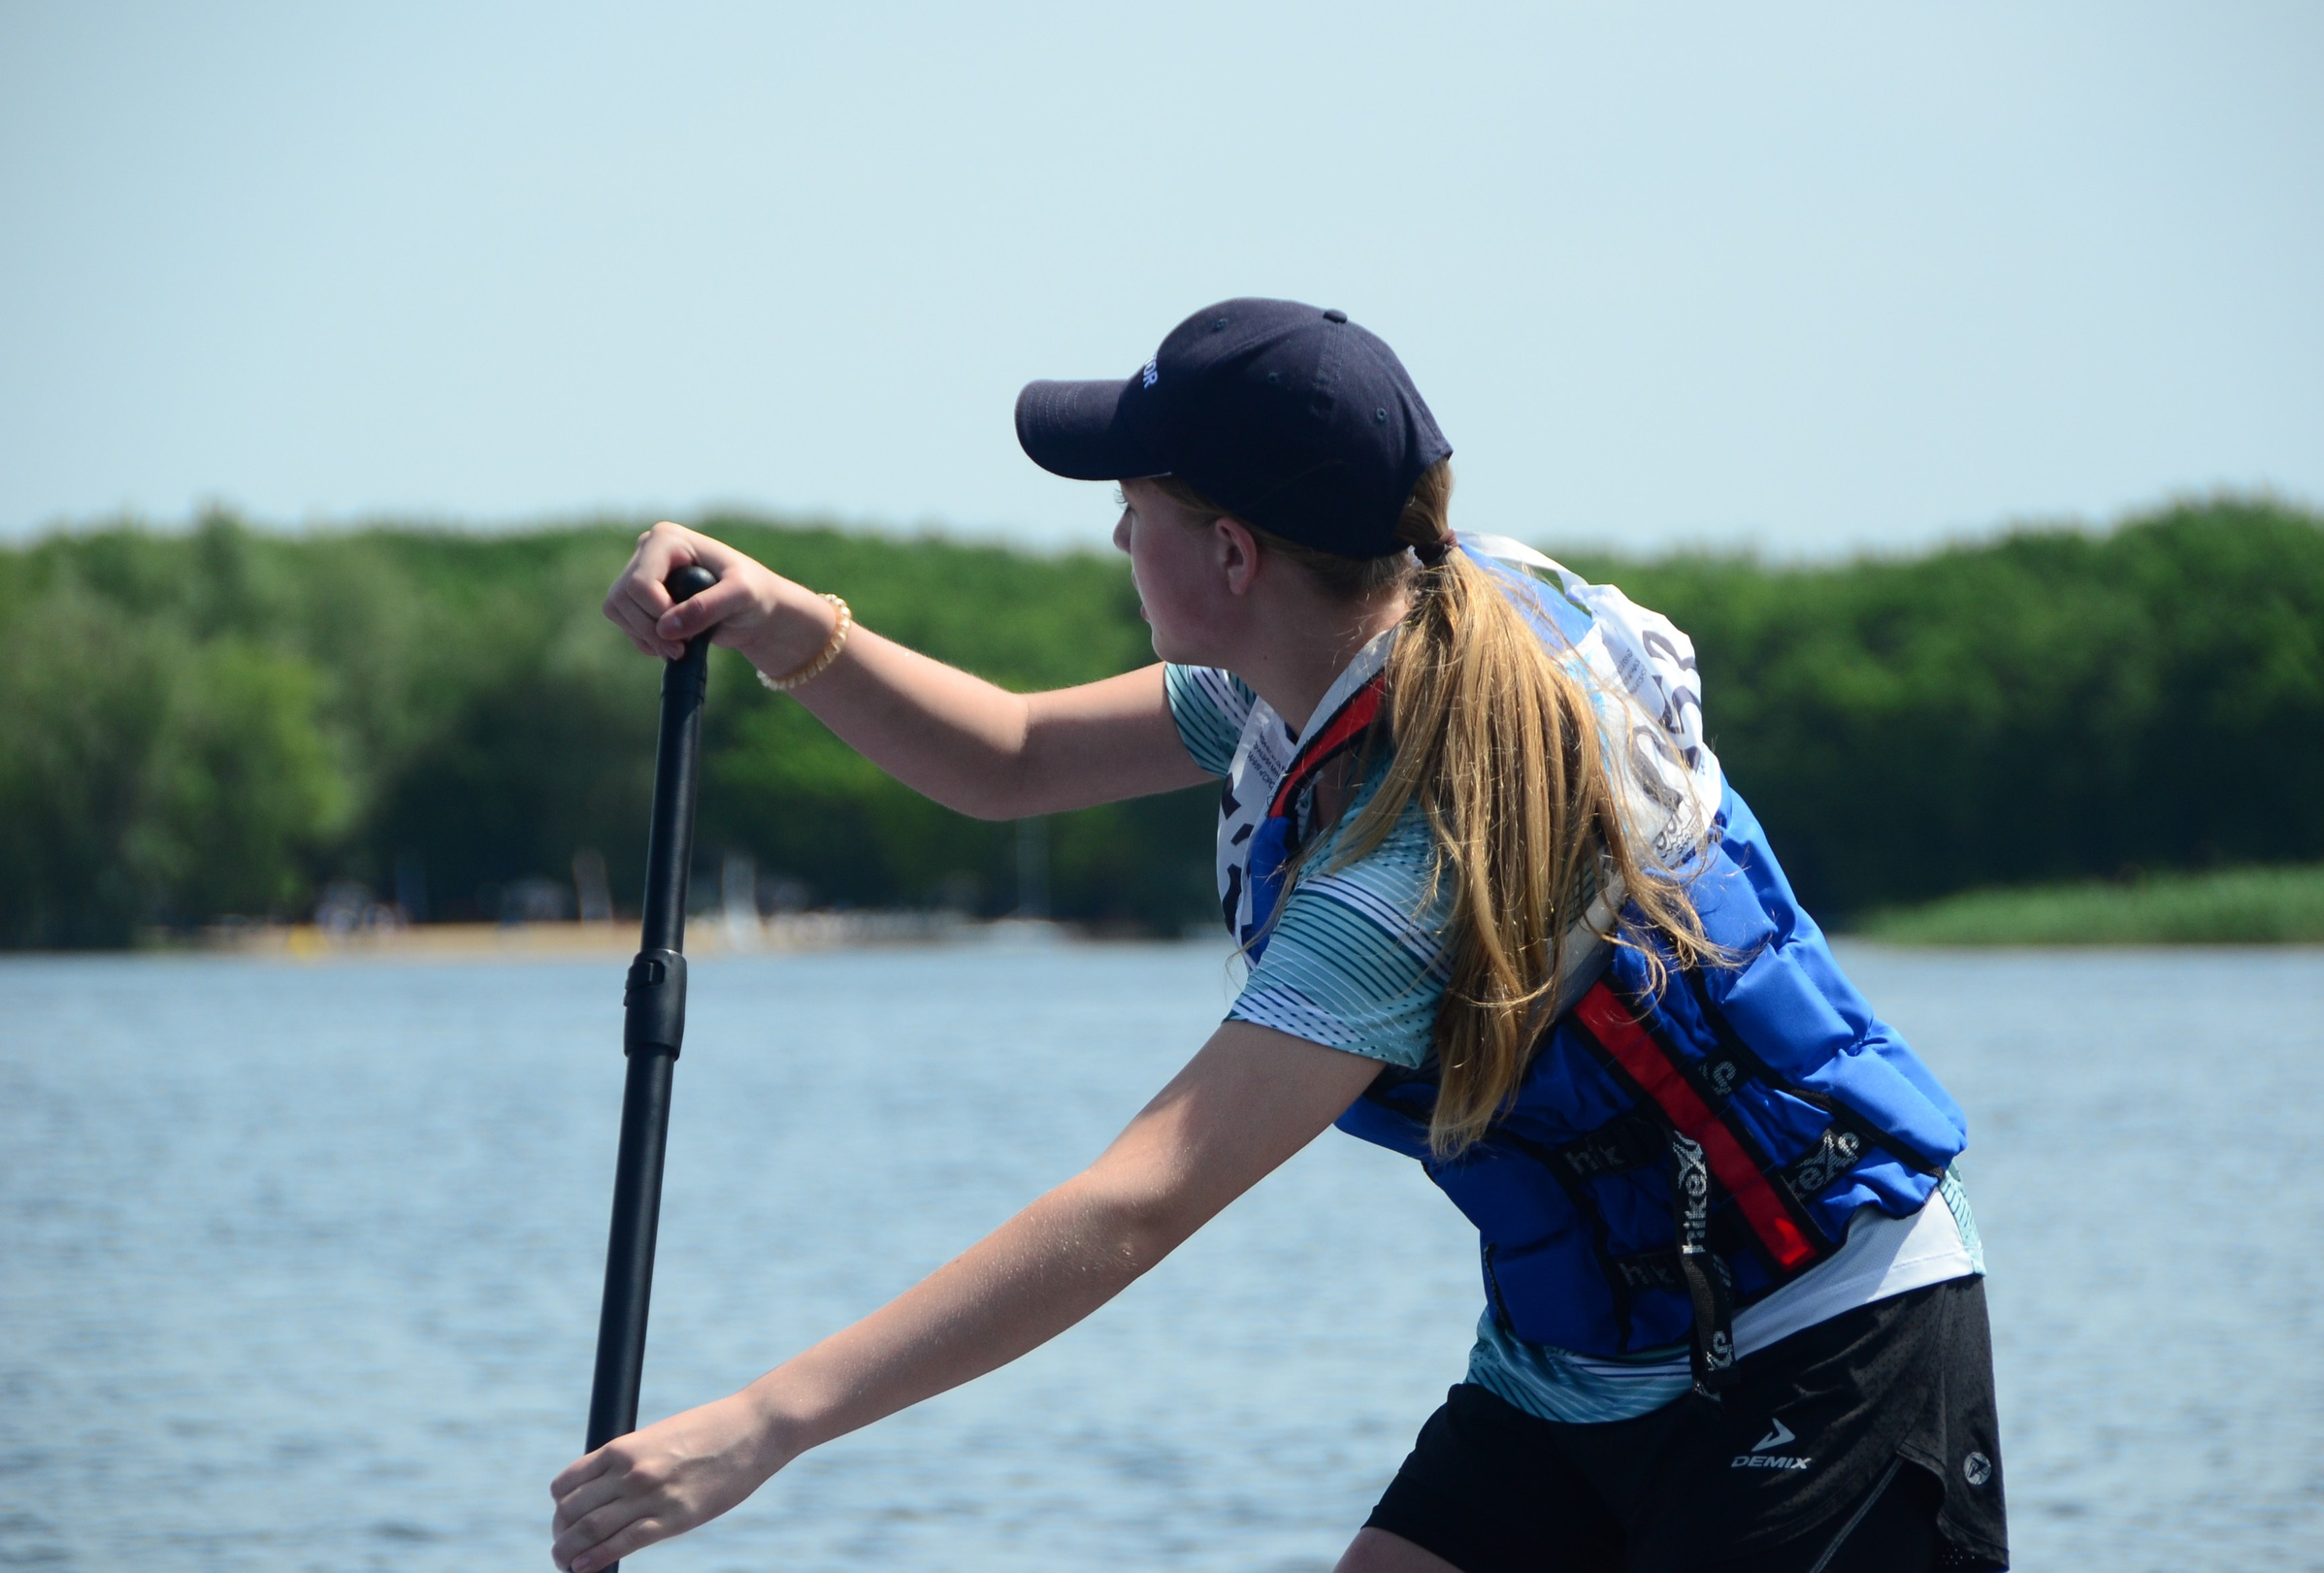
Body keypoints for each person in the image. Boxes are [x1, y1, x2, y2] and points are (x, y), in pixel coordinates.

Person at [555, 299, 2009, 1573]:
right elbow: (1012, 755)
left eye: (1134, 504)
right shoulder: (1353, 642)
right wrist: (779, 620)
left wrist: (763, 1426)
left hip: (1823, 1345)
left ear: (1234, 554)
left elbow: (1133, 1204)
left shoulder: (1407, 868)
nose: (1116, 535)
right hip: (1583, 1365)